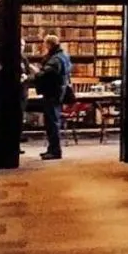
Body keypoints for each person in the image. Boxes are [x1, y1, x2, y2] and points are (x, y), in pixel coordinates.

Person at [31, 33, 71, 161]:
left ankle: (55, 151)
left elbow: (47, 74)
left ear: (49, 44)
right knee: (52, 121)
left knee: (52, 122)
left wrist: (35, 73)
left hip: (52, 93)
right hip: (58, 92)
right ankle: (51, 149)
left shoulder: (55, 59)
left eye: (45, 44)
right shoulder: (63, 56)